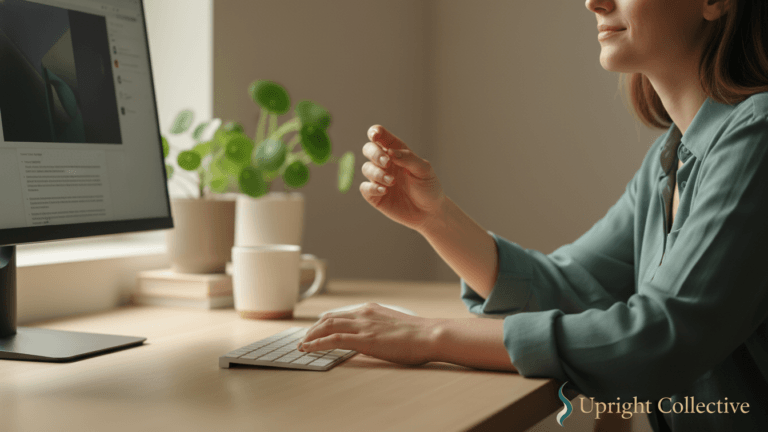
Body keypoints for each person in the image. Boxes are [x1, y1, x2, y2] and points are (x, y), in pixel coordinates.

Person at [297, 0, 768, 430]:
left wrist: (430, 336)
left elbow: (660, 335)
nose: (593, 2)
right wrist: (435, 218)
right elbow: (569, 289)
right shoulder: (671, 160)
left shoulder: (758, 136)